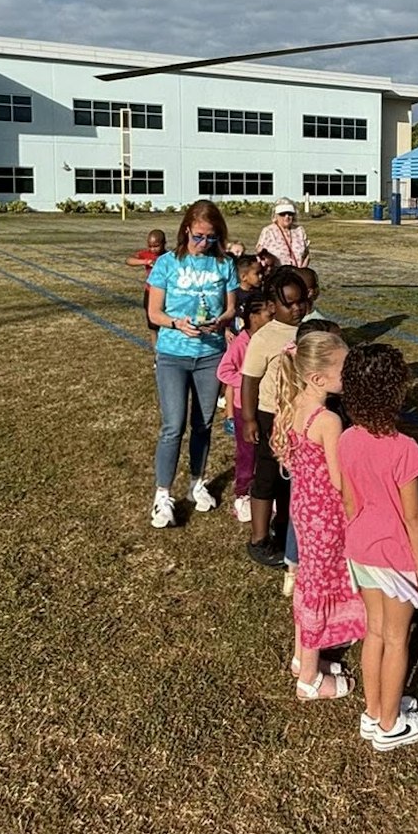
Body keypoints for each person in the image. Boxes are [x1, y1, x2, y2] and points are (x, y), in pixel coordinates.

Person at [340, 343, 418, 752]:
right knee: (398, 639)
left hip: (360, 548)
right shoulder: (404, 450)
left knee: (374, 633)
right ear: (398, 393)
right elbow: (414, 519)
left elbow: (349, 500)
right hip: (396, 557)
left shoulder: (346, 439)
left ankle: (374, 709)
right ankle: (390, 725)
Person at [274, 329, 367, 702]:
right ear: (319, 378)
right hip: (327, 518)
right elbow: (338, 477)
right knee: (317, 590)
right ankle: (310, 679)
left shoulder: (294, 403)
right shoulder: (328, 420)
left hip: (303, 512)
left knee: (308, 583)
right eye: (344, 372)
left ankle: (302, 657)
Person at [145, 201, 240, 529]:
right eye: (199, 236)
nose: (204, 244)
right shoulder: (167, 264)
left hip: (210, 354)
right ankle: (163, 495)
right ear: (187, 229)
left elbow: (231, 309)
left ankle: (197, 482)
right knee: (173, 425)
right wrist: (176, 324)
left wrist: (221, 322)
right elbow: (153, 313)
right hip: (173, 354)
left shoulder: (224, 264)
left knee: (203, 424)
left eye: (211, 238)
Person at [240, 266, 310, 565]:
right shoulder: (265, 338)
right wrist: (249, 418)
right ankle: (259, 539)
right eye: (288, 303)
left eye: (300, 302)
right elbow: (249, 380)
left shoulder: (311, 329)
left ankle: (285, 528)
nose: (296, 308)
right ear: (272, 306)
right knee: (267, 477)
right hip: (270, 416)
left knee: (292, 477)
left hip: (301, 417)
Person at [217, 288, 271, 523]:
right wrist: (249, 381)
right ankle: (242, 495)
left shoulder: (268, 340)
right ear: (253, 317)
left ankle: (263, 491)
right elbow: (224, 371)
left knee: (265, 450)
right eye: (269, 316)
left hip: (265, 405)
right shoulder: (241, 343)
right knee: (246, 453)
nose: (273, 320)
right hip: (243, 407)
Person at [126, 226, 168, 327]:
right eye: (150, 246)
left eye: (156, 246)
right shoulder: (146, 254)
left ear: (164, 244)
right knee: (152, 324)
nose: (152, 249)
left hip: (166, 292)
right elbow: (129, 260)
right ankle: (154, 343)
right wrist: (145, 261)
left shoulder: (168, 256)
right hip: (150, 291)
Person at [256, 199, 309, 272]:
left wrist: (302, 272)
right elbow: (260, 256)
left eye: (290, 213)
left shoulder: (300, 230)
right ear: (276, 215)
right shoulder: (268, 231)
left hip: (298, 276)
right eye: (282, 214)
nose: (287, 216)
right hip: (276, 275)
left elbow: (306, 255)